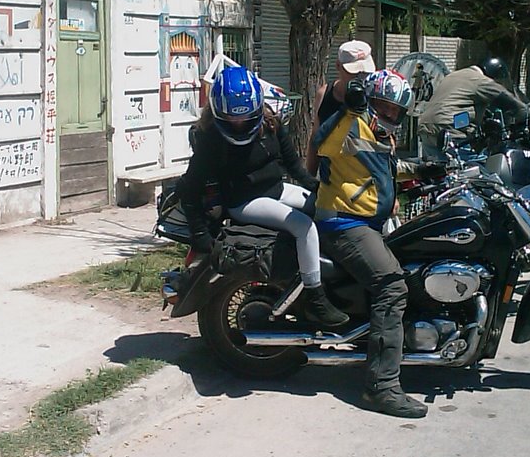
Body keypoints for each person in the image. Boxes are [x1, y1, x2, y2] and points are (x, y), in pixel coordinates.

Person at [177, 66, 348, 328]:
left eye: (244, 117)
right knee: (305, 228)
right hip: (244, 201)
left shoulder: (270, 122)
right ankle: (315, 297)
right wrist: (201, 237)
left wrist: (315, 187)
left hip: (275, 189)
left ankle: (336, 277)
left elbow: (292, 162)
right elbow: (190, 189)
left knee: (328, 208)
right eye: (231, 118)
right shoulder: (210, 137)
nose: (238, 123)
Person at [312, 69, 433, 418]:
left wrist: (425, 171)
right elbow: (323, 143)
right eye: (384, 105)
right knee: (392, 287)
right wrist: (348, 108)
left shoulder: (378, 131)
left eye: (396, 110)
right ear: (370, 100)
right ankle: (381, 387)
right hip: (344, 223)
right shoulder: (352, 123)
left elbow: (380, 169)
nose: (390, 114)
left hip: (366, 221)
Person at [416, 57, 530, 152]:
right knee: (476, 172)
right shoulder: (482, 81)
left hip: (426, 128)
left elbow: (457, 105)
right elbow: (511, 102)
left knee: (435, 173)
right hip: (449, 131)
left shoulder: (455, 75)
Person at [305, 40, 376, 174]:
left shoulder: (374, 96)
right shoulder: (324, 95)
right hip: (331, 178)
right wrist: (309, 177)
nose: (360, 77)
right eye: (354, 72)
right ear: (338, 66)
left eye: (364, 71)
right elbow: (315, 139)